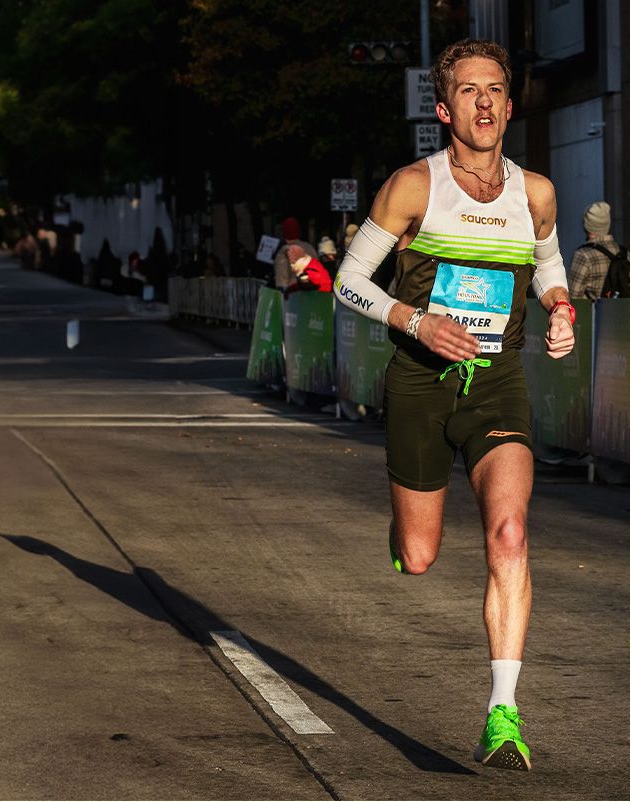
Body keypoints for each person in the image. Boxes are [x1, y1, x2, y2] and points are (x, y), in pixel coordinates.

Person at [334, 39, 575, 772]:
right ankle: (404, 529)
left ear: (507, 103)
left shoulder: (534, 192)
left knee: (508, 533)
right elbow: (348, 280)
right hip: (417, 383)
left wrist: (559, 304)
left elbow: (546, 263)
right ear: (444, 109)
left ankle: (502, 712)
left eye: (494, 90)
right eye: (467, 91)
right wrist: (414, 322)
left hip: (496, 383)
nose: (483, 103)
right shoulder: (413, 186)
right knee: (421, 553)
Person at [568, 201, 624, 299]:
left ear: (586, 225)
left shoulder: (583, 255)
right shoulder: (623, 252)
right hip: (622, 313)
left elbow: (573, 297)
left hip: (595, 313)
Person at [274, 217, 317, 289]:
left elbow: (281, 279)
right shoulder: (310, 248)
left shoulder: (283, 252)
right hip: (312, 295)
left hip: (293, 296)